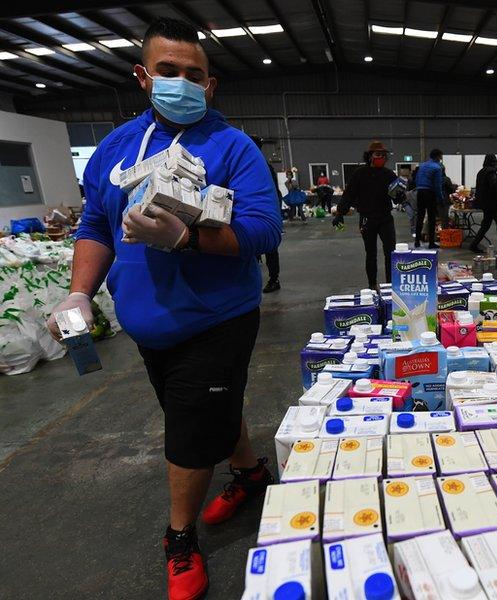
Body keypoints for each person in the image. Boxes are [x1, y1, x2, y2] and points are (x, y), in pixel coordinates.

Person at [44, 17, 281, 600]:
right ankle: (250, 473)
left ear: (211, 83)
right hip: (147, 325)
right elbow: (96, 224)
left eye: (194, 75)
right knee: (205, 413)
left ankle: (178, 537)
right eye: (168, 72)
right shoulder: (116, 149)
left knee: (190, 429)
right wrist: (81, 290)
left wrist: (188, 239)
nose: (182, 83)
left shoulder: (233, 147)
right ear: (143, 76)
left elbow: (264, 230)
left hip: (215, 317)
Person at [333, 141, 400, 289]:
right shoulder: (359, 174)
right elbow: (348, 194)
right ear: (370, 156)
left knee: (391, 253)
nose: (381, 157)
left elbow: (397, 196)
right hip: (366, 219)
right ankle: (372, 286)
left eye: (383, 155)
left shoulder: (389, 174)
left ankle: (390, 286)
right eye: (378, 154)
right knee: (371, 254)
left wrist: (401, 196)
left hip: (385, 219)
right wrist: (340, 213)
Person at [250, 136, 282, 293]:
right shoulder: (258, 165)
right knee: (254, 249)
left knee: (270, 248)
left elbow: (274, 192)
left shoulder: (262, 166)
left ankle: (274, 279)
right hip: (255, 213)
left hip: (263, 212)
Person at [469, 154, 497, 254]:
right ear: (493, 161)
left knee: (486, 225)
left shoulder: (481, 172)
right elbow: (494, 186)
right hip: (493, 202)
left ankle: (473, 245)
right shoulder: (491, 172)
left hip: (484, 203)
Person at [413, 149, 444, 248]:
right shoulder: (437, 168)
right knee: (431, 218)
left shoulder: (422, 165)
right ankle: (431, 243)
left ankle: (417, 241)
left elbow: (416, 179)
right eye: (441, 156)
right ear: (438, 156)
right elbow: (438, 186)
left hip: (420, 192)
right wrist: (441, 199)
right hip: (430, 193)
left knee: (420, 217)